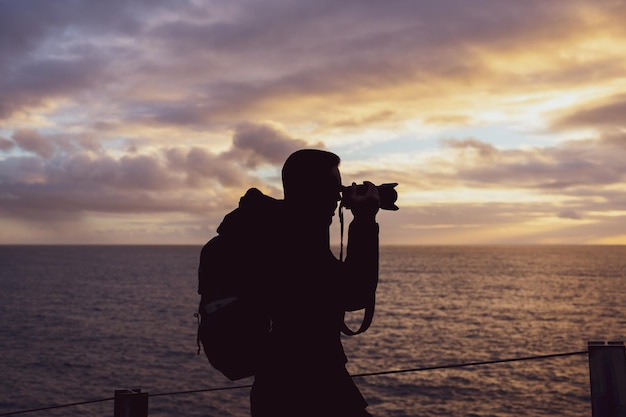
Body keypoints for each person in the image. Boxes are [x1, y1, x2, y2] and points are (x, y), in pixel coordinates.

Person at [215, 149, 380, 416]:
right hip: (312, 386)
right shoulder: (297, 242)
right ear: (313, 192)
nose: (336, 201)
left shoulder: (270, 230)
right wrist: (364, 221)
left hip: (273, 386)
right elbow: (354, 294)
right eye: (333, 190)